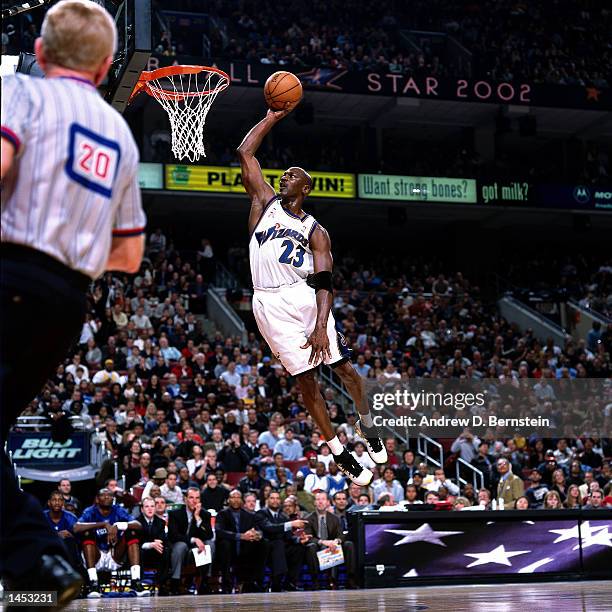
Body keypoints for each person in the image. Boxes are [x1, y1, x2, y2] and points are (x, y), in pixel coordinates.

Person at [0, 1, 145, 601]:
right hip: (66, 305)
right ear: (109, 64)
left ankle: (38, 561)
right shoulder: (120, 135)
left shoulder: (20, 94)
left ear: (39, 51)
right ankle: (42, 568)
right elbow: (130, 256)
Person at [238, 108, 387, 486]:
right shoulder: (263, 205)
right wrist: (272, 116)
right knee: (307, 383)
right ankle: (339, 452)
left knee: (345, 371)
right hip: (267, 303)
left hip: (303, 300)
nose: (284, 177)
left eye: (293, 176)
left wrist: (321, 325)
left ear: (305, 188)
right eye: (283, 174)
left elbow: (324, 283)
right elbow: (245, 153)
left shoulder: (316, 231)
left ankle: (367, 426)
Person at [74, 488, 146, 597]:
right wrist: (102, 524)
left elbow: (138, 525)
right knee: (87, 535)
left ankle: (135, 582)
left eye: (109, 495)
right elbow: (76, 528)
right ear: (97, 499)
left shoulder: (117, 510)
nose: (107, 497)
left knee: (131, 534)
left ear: (113, 498)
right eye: (103, 495)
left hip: (114, 555)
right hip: (96, 557)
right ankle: (93, 584)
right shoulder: (90, 511)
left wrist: (118, 525)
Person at [215, 489, 266, 593]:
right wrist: (240, 536)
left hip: (244, 548)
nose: (236, 500)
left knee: (263, 543)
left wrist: (256, 535)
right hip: (229, 547)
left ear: (242, 500)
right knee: (225, 544)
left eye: (238, 497)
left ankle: (252, 582)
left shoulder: (249, 515)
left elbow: (258, 530)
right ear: (228, 500)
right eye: (233, 497)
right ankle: (227, 584)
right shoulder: (222, 514)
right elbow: (219, 532)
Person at [255, 490, 307, 591]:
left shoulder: (283, 516)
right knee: (278, 543)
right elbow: (269, 528)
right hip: (265, 550)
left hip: (280, 550)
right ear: (267, 500)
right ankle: (276, 582)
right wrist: (291, 524)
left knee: (298, 548)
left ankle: (290, 582)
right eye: (272, 498)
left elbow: (288, 536)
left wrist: (299, 540)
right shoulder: (261, 513)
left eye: (277, 498)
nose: (275, 500)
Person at [304, 491, 356, 589]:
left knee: (349, 544)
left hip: (332, 547)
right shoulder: (308, 519)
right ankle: (315, 581)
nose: (320, 502)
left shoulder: (335, 518)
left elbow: (341, 535)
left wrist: (336, 541)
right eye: (318, 500)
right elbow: (308, 537)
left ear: (328, 502)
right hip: (318, 547)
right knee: (311, 546)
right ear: (314, 502)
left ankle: (350, 580)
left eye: (323, 499)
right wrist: (322, 542)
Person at [167, 487, 213, 595]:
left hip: (196, 549)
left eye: (197, 498)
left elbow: (209, 535)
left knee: (209, 545)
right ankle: (175, 582)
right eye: (191, 498)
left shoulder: (205, 514)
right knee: (181, 546)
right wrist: (193, 539)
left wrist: (197, 518)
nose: (194, 501)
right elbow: (173, 536)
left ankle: (204, 581)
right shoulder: (175, 514)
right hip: (180, 546)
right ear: (185, 499)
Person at [137, 497, 170, 595]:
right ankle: (140, 584)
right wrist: (150, 544)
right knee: (139, 551)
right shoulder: (136, 522)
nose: (150, 509)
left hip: (155, 552)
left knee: (166, 551)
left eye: (152, 506)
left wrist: (155, 543)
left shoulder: (161, 522)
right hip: (142, 552)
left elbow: (161, 539)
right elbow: (138, 541)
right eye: (147, 506)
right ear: (142, 509)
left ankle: (162, 583)